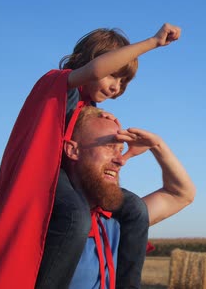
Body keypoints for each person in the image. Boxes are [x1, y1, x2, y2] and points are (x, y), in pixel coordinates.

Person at [0, 23, 181, 289]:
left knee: (135, 209)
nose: (116, 87)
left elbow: (92, 157)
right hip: (46, 176)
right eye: (114, 75)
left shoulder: (91, 108)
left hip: (73, 176)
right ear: (93, 61)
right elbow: (94, 71)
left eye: (123, 82)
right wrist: (152, 42)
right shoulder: (58, 84)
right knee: (74, 218)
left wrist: (125, 151)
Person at [62, 106, 195, 288]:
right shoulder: (47, 221)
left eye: (121, 150)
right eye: (109, 146)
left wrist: (157, 145)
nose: (120, 160)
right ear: (73, 150)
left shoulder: (116, 221)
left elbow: (181, 193)